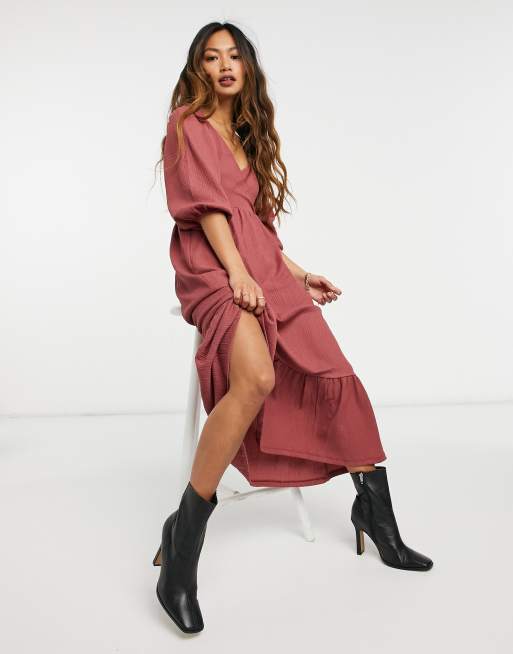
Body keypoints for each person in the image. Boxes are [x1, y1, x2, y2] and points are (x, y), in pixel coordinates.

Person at [152, 21, 433, 634]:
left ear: (247, 66)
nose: (224, 66)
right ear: (198, 68)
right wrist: (237, 276)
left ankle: (376, 517)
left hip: (258, 267)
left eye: (234, 56)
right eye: (211, 57)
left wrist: (299, 276)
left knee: (335, 370)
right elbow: (212, 215)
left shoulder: (246, 135)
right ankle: (183, 544)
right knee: (255, 377)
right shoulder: (187, 125)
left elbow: (258, 228)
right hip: (212, 268)